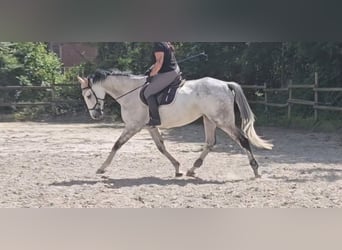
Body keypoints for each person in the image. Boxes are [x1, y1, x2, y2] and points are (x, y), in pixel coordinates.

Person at [144, 42, 180, 127]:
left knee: (147, 92)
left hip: (169, 73)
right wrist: (151, 70)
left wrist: (151, 75)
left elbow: (159, 62)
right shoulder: (163, 42)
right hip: (172, 69)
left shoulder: (158, 44)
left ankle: (156, 119)